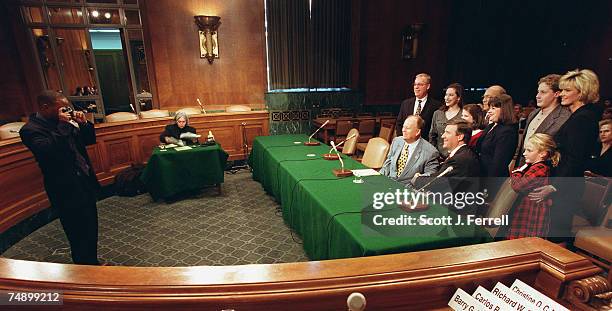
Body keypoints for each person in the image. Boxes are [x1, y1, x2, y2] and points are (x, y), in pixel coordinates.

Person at [19, 90, 101, 265]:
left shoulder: (63, 123)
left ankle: (92, 264)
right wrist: (64, 125)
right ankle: (83, 269)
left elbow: (87, 141)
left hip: (84, 182)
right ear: (45, 107)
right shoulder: (31, 130)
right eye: (62, 108)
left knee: (91, 227)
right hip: (65, 189)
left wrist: (83, 123)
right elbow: (48, 152)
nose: (66, 112)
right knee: (77, 232)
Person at [529, 69, 600, 240]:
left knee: (557, 235)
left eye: (567, 90)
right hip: (566, 184)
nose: (561, 94)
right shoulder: (579, 116)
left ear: (582, 92)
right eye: (562, 89)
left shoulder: (582, 119)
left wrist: (554, 186)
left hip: (566, 187)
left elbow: (574, 159)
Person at [507, 134, 560, 239]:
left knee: (527, 240)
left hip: (533, 210)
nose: (524, 154)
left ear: (543, 153)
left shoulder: (540, 168)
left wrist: (517, 173)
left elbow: (518, 186)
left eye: (529, 150)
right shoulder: (533, 167)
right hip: (528, 207)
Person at [412, 120, 481, 196]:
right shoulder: (462, 154)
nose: (442, 136)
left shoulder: (460, 160)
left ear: (460, 137)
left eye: (447, 132)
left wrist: (417, 179)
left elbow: (436, 184)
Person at [516, 74, 570, 167]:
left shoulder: (564, 117)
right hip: (522, 166)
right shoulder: (534, 113)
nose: (537, 96)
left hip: (544, 170)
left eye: (543, 92)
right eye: (538, 92)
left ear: (556, 94)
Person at [380, 115, 439, 185]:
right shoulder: (397, 141)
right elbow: (388, 164)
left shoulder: (431, 152)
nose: (403, 130)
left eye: (407, 128)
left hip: (409, 189)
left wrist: (419, 178)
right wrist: (378, 178)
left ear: (417, 132)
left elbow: (430, 176)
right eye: (403, 127)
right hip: (388, 183)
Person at [476, 94, 518, 178]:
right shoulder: (492, 126)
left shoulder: (508, 132)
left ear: (504, 110)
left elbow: (499, 165)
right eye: (490, 108)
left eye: (493, 108)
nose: (489, 111)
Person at [395, 73, 442, 139]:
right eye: (415, 84)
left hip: (425, 145)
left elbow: (435, 129)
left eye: (420, 84)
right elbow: (399, 124)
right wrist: (403, 139)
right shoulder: (406, 103)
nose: (416, 87)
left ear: (428, 86)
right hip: (406, 142)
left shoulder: (436, 105)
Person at [429, 83, 464, 157]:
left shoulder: (464, 114)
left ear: (458, 97)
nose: (446, 98)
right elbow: (432, 135)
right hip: (437, 156)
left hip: (456, 156)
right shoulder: (438, 113)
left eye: (451, 95)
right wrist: (434, 154)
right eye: (446, 95)